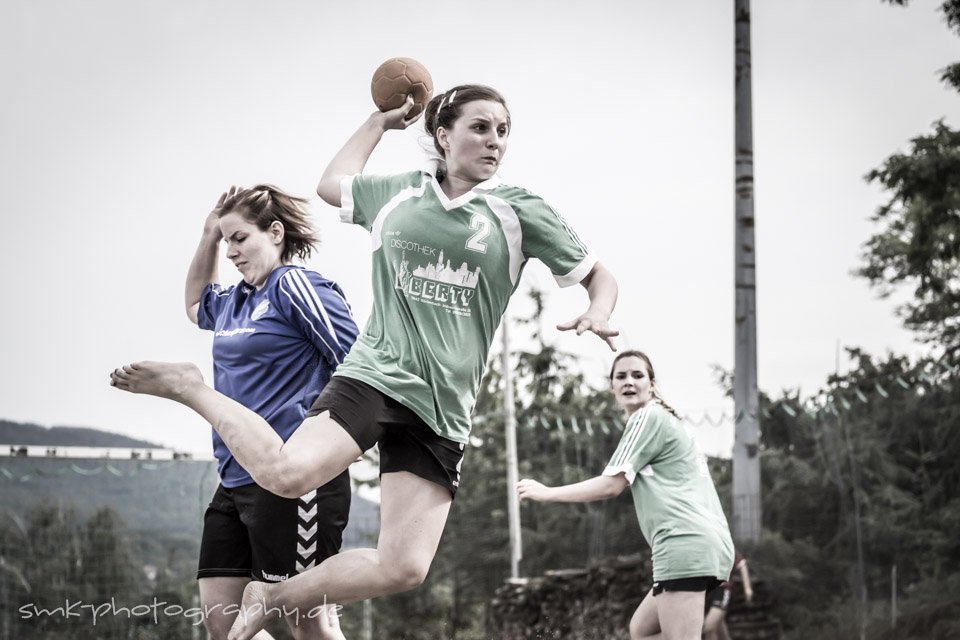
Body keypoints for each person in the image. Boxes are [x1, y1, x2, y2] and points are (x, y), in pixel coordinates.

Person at [110, 84, 618, 640]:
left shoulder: (520, 210)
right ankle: (190, 388)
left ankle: (272, 595)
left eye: (502, 130)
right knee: (286, 473)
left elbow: (599, 274)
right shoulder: (400, 194)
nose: (494, 141)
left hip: (443, 405)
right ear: (443, 136)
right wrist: (381, 122)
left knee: (403, 568)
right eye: (480, 127)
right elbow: (331, 184)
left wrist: (598, 308)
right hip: (374, 375)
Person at [184, 185, 359, 640]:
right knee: (222, 621)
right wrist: (207, 236)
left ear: (275, 232)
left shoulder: (294, 286)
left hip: (293, 478)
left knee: (309, 624)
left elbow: (358, 363)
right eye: (227, 242)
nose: (232, 251)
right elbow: (193, 306)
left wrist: (346, 439)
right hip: (235, 477)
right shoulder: (233, 300)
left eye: (240, 238)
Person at [516, 350, 734, 640]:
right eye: (621, 376)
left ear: (652, 384)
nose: (629, 381)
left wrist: (547, 493)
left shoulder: (647, 417)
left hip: (684, 543)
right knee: (641, 631)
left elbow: (611, 485)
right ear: (612, 387)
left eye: (637, 375)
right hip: (705, 545)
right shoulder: (663, 420)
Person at [703, 551, 753, 640]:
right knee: (720, 629)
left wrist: (747, 588)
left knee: (709, 628)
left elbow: (742, 565)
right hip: (707, 591)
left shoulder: (725, 542)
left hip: (722, 591)